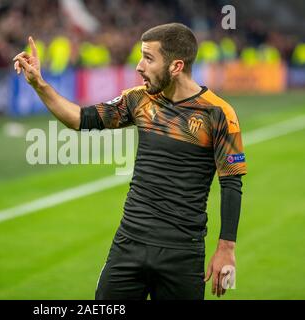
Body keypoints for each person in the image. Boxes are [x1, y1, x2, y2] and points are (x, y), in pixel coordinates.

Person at [13, 23, 247, 300]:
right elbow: (81, 118)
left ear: (176, 66)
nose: (138, 66)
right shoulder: (138, 100)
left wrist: (226, 249)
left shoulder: (218, 113)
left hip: (182, 253)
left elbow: (231, 184)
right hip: (129, 244)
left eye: (148, 58)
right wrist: (39, 84)